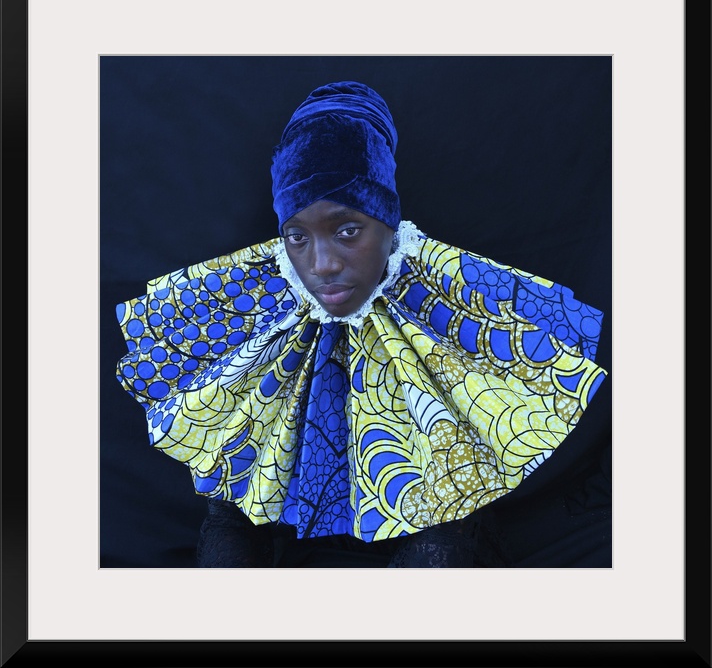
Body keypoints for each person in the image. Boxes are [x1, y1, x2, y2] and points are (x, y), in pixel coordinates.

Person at [114, 81, 608, 568]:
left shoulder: (456, 295)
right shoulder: (253, 301)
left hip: (431, 513)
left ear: (388, 223)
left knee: (447, 541)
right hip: (283, 522)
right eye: (297, 237)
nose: (322, 265)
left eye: (348, 230)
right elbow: (228, 505)